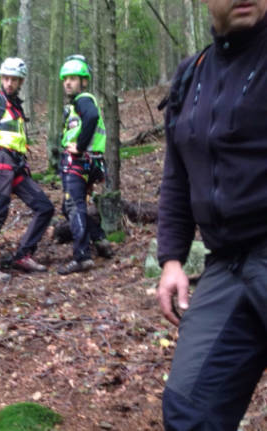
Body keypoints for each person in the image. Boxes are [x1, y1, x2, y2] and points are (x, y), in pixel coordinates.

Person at [157, 0, 267, 429]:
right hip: (227, 265)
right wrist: (171, 259)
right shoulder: (191, 74)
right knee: (190, 411)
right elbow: (177, 175)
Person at [0, 57, 54, 283]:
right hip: (0, 161)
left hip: (17, 165)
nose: (9, 83)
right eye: (6, 78)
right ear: (1, 78)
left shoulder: (16, 106)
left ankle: (23, 255)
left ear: (21, 82)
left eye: (14, 80)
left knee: (44, 207)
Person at [56, 55, 113, 276]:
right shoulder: (76, 105)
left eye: (73, 78)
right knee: (68, 206)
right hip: (90, 163)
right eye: (65, 79)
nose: (68, 82)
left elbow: (91, 117)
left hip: (80, 161)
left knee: (73, 206)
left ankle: (82, 257)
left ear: (84, 81)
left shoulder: (84, 99)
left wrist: (79, 146)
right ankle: (100, 240)